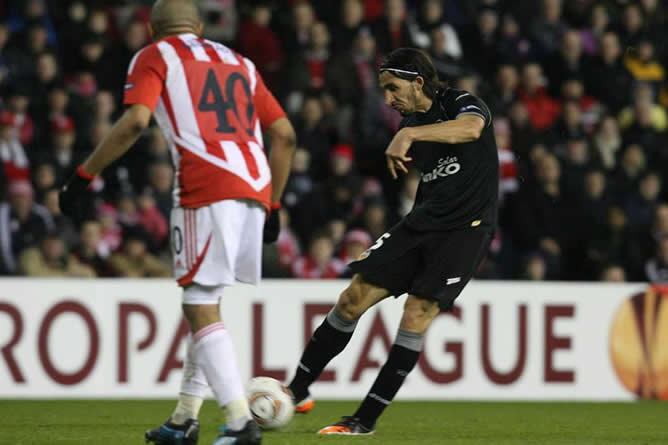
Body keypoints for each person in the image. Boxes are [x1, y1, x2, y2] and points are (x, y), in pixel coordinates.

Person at [58, 1, 296, 444]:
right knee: (206, 303)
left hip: (205, 186)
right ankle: (184, 419)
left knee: (199, 306)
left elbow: (135, 122)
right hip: (256, 185)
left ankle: (241, 423)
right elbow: (284, 134)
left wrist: (84, 175)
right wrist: (276, 205)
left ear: (152, 29)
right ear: (201, 27)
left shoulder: (155, 55)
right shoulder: (239, 61)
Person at [286, 47, 499, 435]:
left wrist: (409, 133)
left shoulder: (460, 102)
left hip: (466, 229)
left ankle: (363, 421)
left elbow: (472, 129)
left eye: (393, 88)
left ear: (419, 82)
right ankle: (294, 392)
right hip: (421, 222)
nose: (388, 99)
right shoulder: (415, 122)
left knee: (417, 312)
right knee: (352, 298)